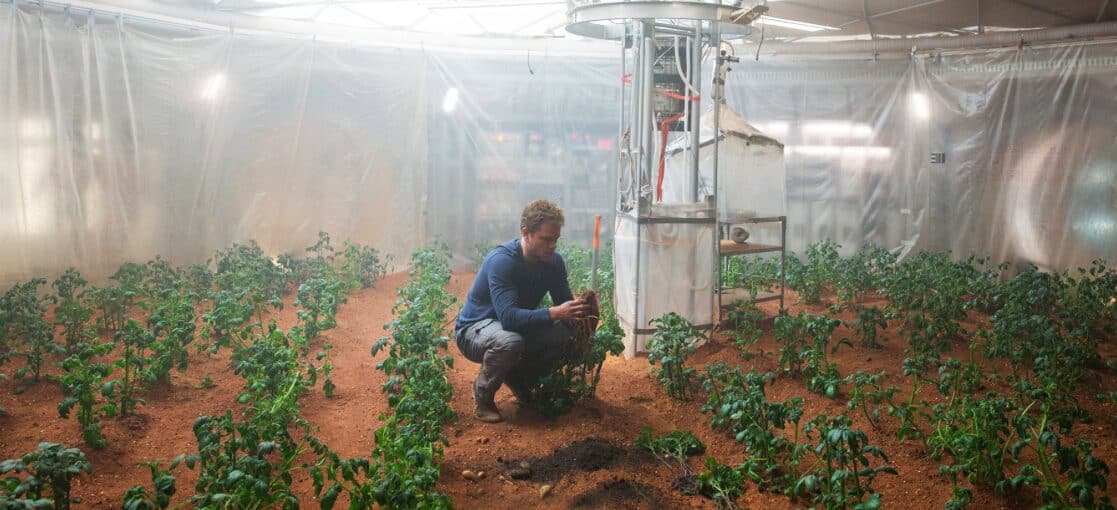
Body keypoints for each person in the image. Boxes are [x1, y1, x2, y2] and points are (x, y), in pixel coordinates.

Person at [454, 200, 592, 423]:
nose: (552, 245)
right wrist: (555, 313)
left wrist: (581, 318)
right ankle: (483, 396)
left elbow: (565, 307)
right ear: (526, 233)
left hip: (513, 328)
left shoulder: (554, 263)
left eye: (555, 239)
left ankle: (520, 379)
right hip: (474, 329)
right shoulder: (503, 261)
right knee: (510, 342)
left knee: (566, 335)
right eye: (546, 239)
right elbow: (508, 319)